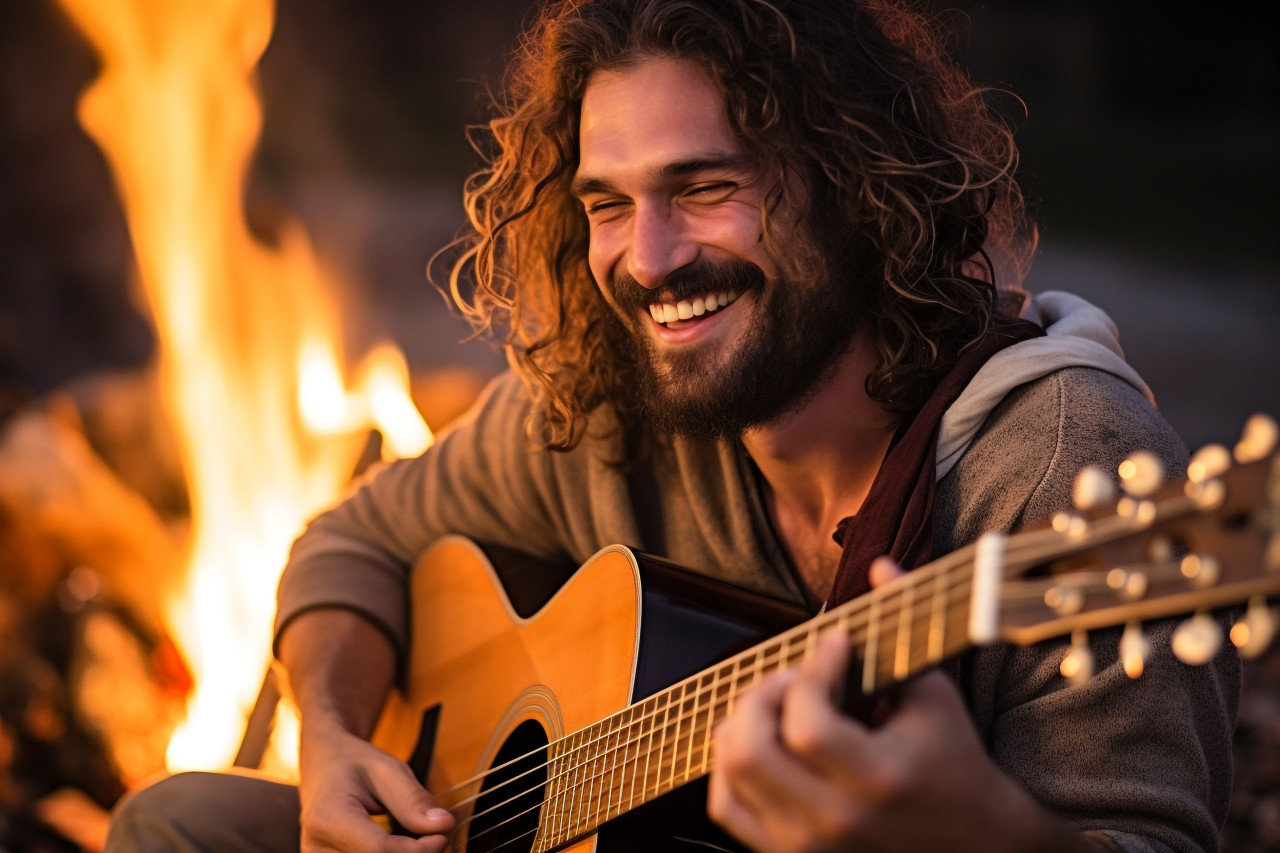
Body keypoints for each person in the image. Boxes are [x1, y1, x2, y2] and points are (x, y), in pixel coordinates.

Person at [105, 1, 1238, 851]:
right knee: (179, 820)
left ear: (852, 185)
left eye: (703, 188)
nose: (646, 261)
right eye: (607, 204)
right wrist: (333, 737)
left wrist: (972, 834)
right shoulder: (607, 412)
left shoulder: (1065, 470)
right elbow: (352, 540)